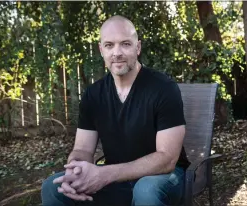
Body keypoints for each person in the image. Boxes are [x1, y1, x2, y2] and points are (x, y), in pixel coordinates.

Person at [41, 15, 190, 206]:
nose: (117, 53)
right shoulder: (93, 95)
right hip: (115, 179)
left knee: (145, 190)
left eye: (125, 44)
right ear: (101, 49)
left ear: (138, 47)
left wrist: (104, 174)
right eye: (109, 45)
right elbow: (82, 149)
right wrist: (75, 170)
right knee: (53, 188)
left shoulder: (163, 88)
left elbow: (166, 159)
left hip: (162, 178)